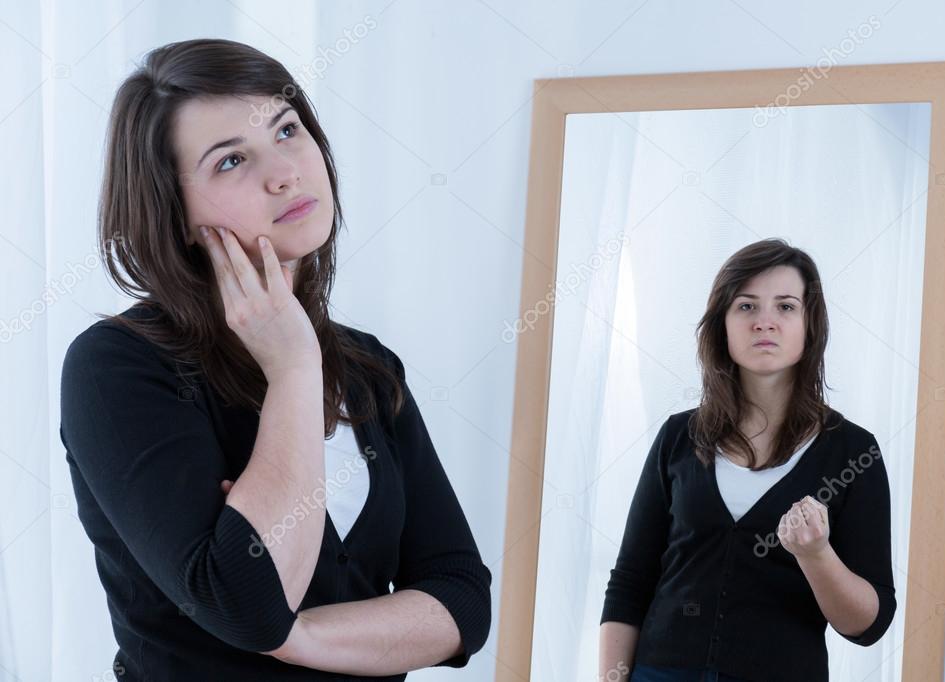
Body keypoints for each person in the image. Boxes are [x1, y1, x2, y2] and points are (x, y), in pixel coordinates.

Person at [59, 38, 490, 681]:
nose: (284, 171)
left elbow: (462, 599)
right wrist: (292, 372)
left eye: (287, 130)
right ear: (173, 214)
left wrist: (302, 638)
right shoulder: (115, 367)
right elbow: (245, 604)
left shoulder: (367, 368)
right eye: (231, 160)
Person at [597, 239, 896, 682]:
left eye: (786, 307)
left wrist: (816, 555)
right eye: (746, 306)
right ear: (722, 324)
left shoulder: (853, 452)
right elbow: (629, 583)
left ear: (810, 325)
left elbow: (868, 625)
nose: (764, 322)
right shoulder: (678, 438)